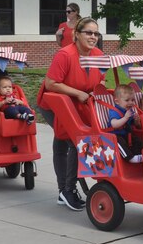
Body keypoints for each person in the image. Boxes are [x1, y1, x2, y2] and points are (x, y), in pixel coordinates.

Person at [37, 17, 105, 211]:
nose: (93, 37)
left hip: (77, 104)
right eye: (88, 33)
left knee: (63, 141)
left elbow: (100, 82)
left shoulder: (98, 55)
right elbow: (51, 84)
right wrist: (78, 93)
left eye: (96, 33)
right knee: (74, 142)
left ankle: (63, 191)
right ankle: (67, 189)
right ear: (76, 34)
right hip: (53, 104)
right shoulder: (65, 54)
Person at [108, 84, 143, 163]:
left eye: (132, 100)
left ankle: (140, 154)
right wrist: (125, 118)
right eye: (127, 100)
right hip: (115, 135)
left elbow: (134, 125)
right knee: (119, 141)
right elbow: (114, 124)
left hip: (127, 135)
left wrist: (136, 121)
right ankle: (130, 158)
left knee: (137, 140)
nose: (131, 103)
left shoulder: (129, 110)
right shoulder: (114, 111)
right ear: (117, 101)